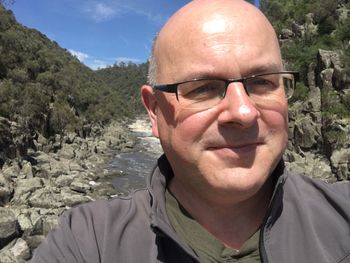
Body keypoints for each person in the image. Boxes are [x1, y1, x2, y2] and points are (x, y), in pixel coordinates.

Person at [31, 0, 350, 262]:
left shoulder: (342, 215)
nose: (243, 112)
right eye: (203, 89)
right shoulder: (89, 242)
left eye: (263, 82)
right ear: (154, 111)